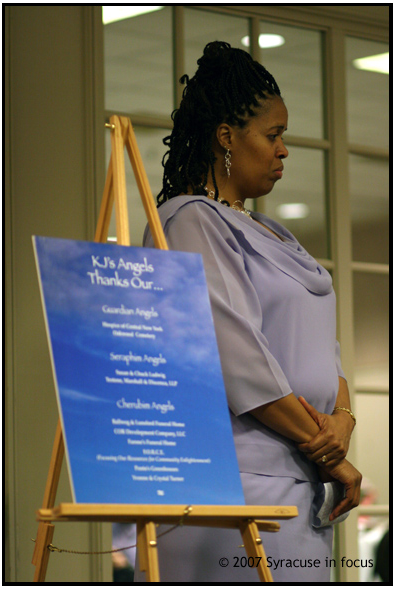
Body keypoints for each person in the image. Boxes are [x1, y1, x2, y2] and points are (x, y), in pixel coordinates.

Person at [135, 41, 361, 583]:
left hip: (302, 485)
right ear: (227, 136)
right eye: (274, 135)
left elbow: (324, 353)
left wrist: (343, 422)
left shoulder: (274, 233)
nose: (284, 151)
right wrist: (330, 453)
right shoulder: (190, 221)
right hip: (236, 490)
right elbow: (237, 360)